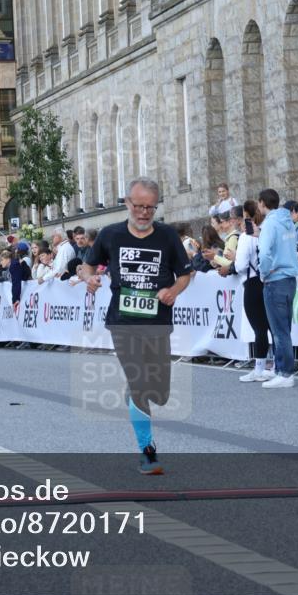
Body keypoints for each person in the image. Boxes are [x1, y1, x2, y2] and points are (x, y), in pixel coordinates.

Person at [82, 177, 193, 474]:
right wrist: (89, 278)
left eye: (150, 208)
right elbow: (87, 264)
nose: (144, 213)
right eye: (139, 206)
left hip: (158, 324)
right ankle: (148, 452)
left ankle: (137, 396)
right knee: (140, 382)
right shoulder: (110, 234)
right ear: (127, 204)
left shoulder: (168, 236)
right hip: (123, 323)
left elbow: (185, 274)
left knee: (161, 393)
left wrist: (173, 291)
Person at [257, 189, 298, 389]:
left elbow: (264, 252)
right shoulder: (288, 221)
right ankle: (280, 368)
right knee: (284, 327)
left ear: (261, 203)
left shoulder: (269, 224)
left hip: (275, 278)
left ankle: (285, 372)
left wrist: (263, 272)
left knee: (278, 329)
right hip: (290, 277)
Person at [235, 200, 271, 381]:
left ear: (245, 215)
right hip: (268, 280)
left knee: (259, 328)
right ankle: (278, 366)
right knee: (272, 326)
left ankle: (259, 369)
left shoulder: (246, 236)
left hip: (252, 282)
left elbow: (240, 264)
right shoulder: (265, 232)